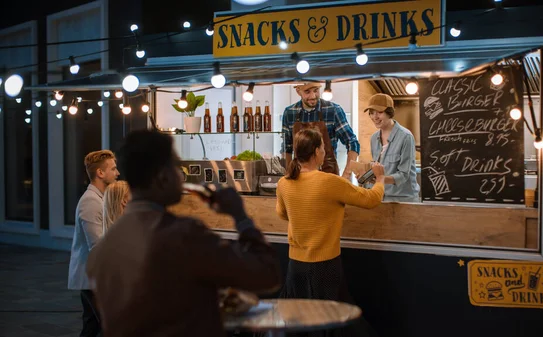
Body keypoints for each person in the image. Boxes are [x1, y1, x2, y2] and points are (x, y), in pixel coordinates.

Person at [86, 129, 281, 337]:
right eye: (177, 167)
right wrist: (240, 216)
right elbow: (267, 273)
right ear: (162, 177)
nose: (181, 176)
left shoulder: (104, 250)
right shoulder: (184, 235)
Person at [276, 128, 384, 337]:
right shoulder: (331, 182)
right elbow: (371, 200)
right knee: (329, 323)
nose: (325, 152)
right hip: (324, 267)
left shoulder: (284, 183)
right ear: (316, 152)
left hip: (295, 267)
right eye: (323, 148)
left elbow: (282, 214)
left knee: (297, 323)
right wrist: (379, 179)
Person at [68, 149, 120, 337]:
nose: (117, 173)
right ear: (100, 173)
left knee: (92, 327)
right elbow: (97, 247)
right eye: (113, 169)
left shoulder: (101, 198)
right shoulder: (90, 202)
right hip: (93, 280)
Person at [282, 82, 360, 179]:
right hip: (300, 179)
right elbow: (287, 148)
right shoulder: (290, 113)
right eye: (307, 92)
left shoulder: (333, 110)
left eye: (316, 91)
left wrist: (346, 175)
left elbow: (352, 143)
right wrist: (289, 176)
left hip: (328, 177)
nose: (313, 96)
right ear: (298, 91)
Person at [363, 93, 420, 202]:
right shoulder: (374, 138)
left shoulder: (406, 137)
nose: (375, 117)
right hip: (381, 197)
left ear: (389, 112)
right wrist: (366, 177)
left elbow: (403, 175)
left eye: (379, 112)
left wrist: (380, 179)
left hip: (403, 199)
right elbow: (378, 168)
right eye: (371, 113)